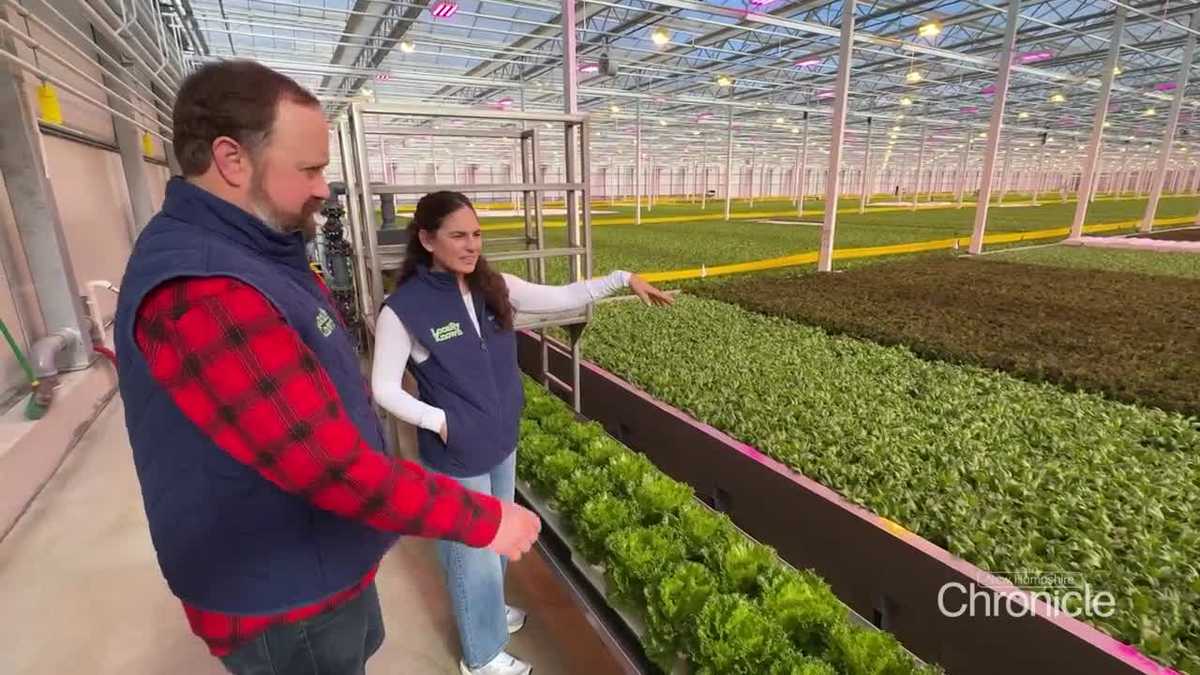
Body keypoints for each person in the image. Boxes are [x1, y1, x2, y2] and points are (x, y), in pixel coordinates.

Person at [114, 60, 540, 675]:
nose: (323, 188)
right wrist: (482, 518)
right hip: (280, 598)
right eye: (309, 169)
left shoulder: (257, 252)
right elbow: (329, 467)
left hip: (316, 562)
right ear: (232, 160)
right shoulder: (206, 289)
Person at [371, 191, 673, 675]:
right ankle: (482, 655)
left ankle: (489, 613)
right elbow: (383, 387)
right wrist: (440, 421)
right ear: (427, 239)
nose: (471, 246)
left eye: (476, 235)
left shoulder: (495, 287)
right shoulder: (404, 310)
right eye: (457, 236)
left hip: (500, 440)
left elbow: (562, 297)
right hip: (456, 453)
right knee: (470, 553)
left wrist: (623, 279)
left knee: (498, 538)